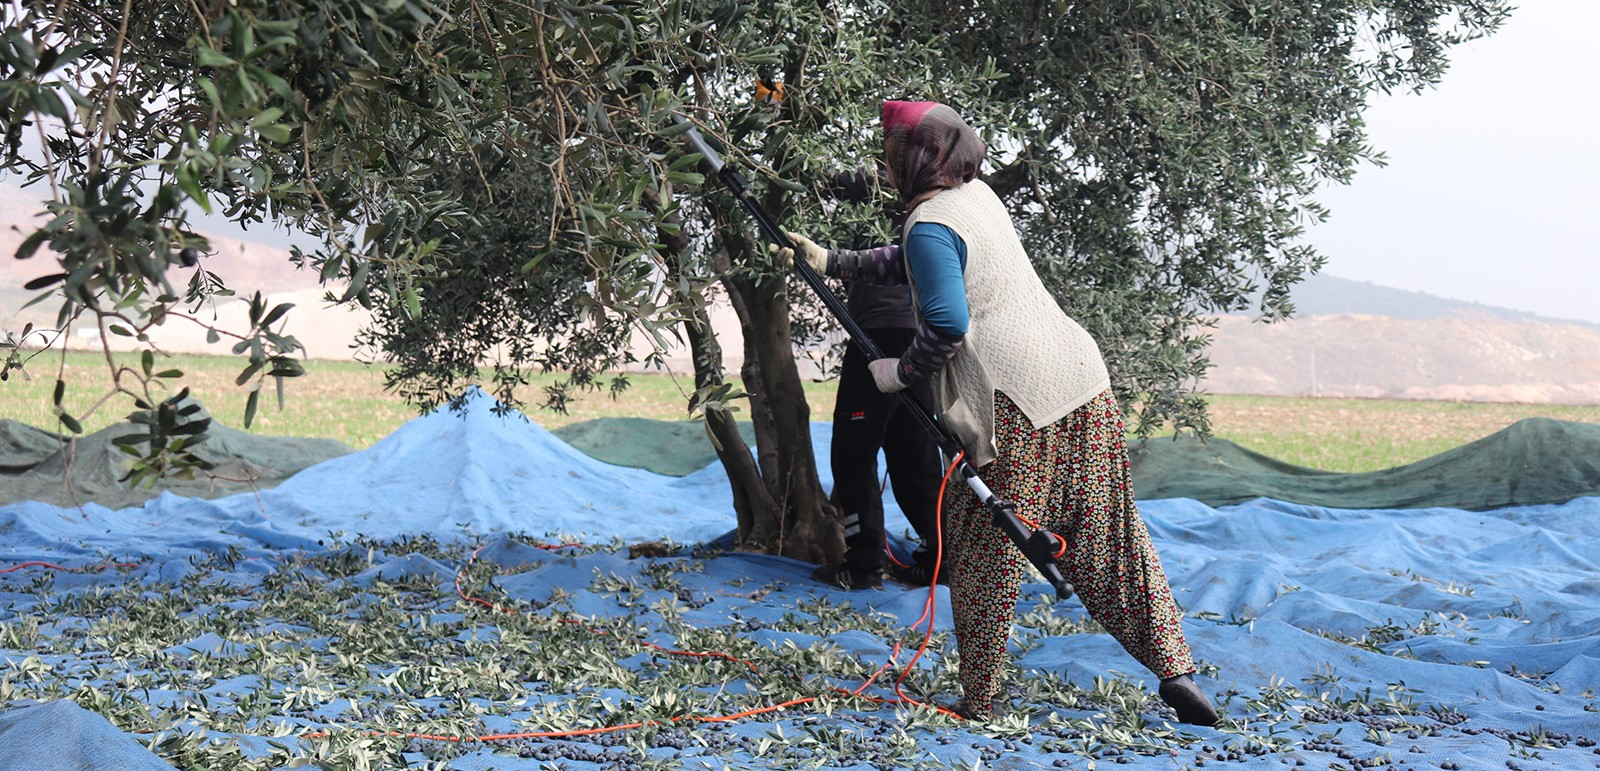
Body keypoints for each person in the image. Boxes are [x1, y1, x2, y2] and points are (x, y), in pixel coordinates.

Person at [775, 100, 1219, 725]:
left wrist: (898, 373)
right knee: (1111, 535)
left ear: (919, 157)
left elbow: (948, 321)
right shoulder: (976, 198)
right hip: (1080, 381)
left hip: (1012, 398)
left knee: (984, 543)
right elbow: (924, 260)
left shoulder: (930, 223)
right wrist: (835, 261)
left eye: (894, 150)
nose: (887, 161)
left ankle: (980, 698)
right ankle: (1177, 671)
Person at [813, 171, 945, 591]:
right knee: (916, 459)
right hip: (919, 343)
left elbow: (819, 179)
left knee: (854, 456)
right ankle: (940, 559)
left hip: (877, 339)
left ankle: (865, 564)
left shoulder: (882, 195)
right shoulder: (926, 209)